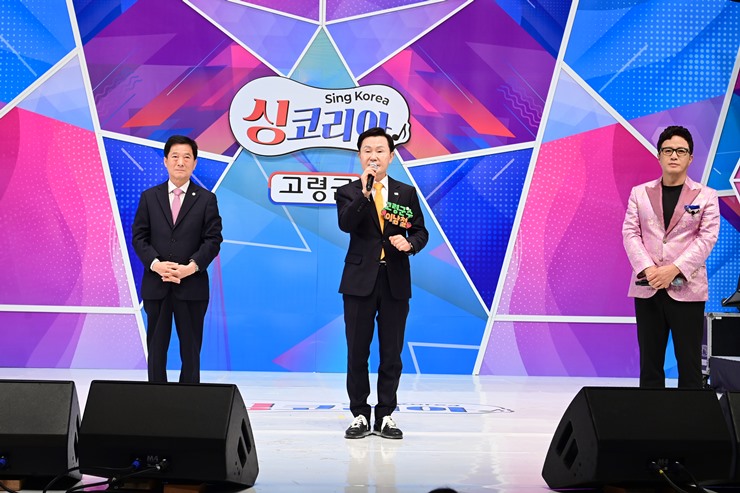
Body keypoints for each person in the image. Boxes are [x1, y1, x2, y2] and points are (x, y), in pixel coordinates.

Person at [335, 127, 429, 439]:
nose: (373, 156)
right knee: (356, 352)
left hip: (394, 281)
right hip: (358, 282)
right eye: (367, 151)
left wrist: (410, 244)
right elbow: (346, 223)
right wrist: (365, 193)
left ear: (391, 156)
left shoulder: (406, 192)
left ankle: (386, 413)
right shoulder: (349, 192)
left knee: (391, 353)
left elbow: (421, 231)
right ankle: (360, 414)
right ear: (359, 156)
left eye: (380, 151)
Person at [622, 125, 719, 389]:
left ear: (690, 158)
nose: (674, 155)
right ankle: (650, 414)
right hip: (648, 287)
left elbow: (707, 238)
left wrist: (673, 269)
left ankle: (689, 415)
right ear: (659, 156)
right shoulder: (639, 193)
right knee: (650, 366)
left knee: (689, 365)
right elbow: (630, 233)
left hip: (687, 289)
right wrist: (648, 270)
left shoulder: (707, 196)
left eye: (680, 151)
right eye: (668, 150)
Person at [132, 135, 223, 383]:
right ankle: (155, 397)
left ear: (194, 163)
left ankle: (189, 399)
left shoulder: (206, 199)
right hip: (157, 284)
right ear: (165, 161)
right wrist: (156, 264)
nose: (180, 162)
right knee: (156, 350)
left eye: (186, 157)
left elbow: (213, 240)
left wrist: (190, 268)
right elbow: (139, 237)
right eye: (175, 156)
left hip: (191, 286)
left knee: (191, 352)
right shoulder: (149, 197)